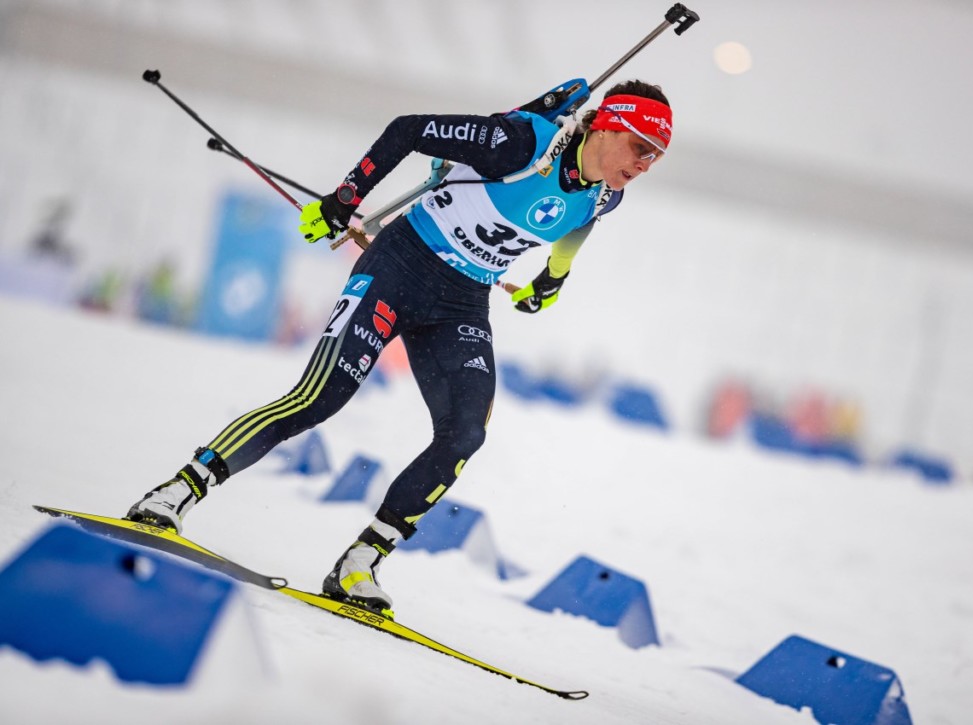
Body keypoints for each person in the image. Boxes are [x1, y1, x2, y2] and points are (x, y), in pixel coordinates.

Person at [125, 79, 673, 618]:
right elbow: (407, 130)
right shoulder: (523, 143)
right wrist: (345, 200)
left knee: (465, 433)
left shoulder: (608, 194)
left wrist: (552, 280)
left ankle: (360, 561)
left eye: (656, 157)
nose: (644, 163)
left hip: (461, 301)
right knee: (322, 396)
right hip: (400, 266)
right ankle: (176, 491)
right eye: (640, 146)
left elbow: (578, 227)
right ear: (607, 123)